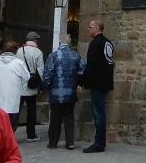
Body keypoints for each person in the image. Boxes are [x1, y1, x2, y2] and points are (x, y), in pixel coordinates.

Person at [42, 33, 84, 150]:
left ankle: (53, 142)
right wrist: (79, 84)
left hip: (55, 93)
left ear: (60, 42)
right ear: (69, 41)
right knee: (69, 117)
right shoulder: (75, 55)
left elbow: (47, 74)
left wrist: (47, 87)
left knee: (55, 118)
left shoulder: (53, 56)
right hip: (70, 92)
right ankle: (70, 142)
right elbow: (81, 71)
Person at [79, 19, 114, 153]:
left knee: (98, 114)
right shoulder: (108, 43)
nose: (88, 29)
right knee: (101, 113)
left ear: (97, 29)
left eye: (90, 27)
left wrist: (82, 83)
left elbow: (91, 65)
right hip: (105, 82)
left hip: (98, 83)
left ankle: (99, 144)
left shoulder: (95, 43)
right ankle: (101, 142)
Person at [0, 39, 29, 129]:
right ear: (16, 50)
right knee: (10, 126)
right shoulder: (19, 63)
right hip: (13, 99)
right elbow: (26, 77)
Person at [16, 31, 45, 142]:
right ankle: (31, 134)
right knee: (31, 111)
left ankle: (11, 133)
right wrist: (42, 86)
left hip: (19, 85)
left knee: (16, 110)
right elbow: (40, 70)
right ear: (35, 40)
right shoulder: (38, 52)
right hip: (31, 86)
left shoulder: (19, 51)